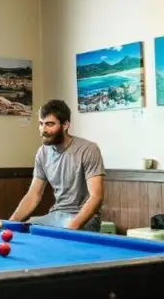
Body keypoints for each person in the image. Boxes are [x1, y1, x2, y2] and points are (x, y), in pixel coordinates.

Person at [9, 99, 105, 231]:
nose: (44, 130)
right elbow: (33, 194)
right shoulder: (42, 152)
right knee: (25, 229)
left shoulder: (88, 149)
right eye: (41, 124)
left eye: (50, 124)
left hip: (84, 218)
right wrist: (11, 223)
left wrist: (73, 226)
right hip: (56, 215)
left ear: (65, 125)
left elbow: (96, 197)